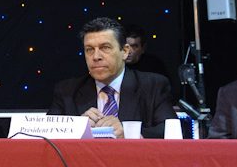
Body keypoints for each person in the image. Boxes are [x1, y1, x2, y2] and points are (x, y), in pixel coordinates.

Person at [49, 17, 177, 138]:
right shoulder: (67, 91)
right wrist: (77, 128)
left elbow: (170, 131)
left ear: (125, 51)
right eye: (89, 49)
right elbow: (46, 135)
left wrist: (127, 133)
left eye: (105, 47)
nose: (96, 56)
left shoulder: (152, 85)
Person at [124, 24, 179, 100]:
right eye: (126, 46)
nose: (129, 51)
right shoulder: (114, 67)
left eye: (134, 46)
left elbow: (168, 93)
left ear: (143, 48)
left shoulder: (154, 65)